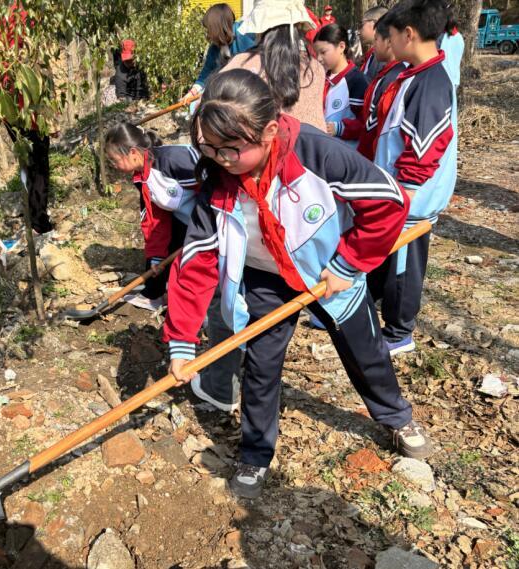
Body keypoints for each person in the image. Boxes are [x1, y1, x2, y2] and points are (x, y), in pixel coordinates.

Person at [163, 69, 432, 499]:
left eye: (231, 149)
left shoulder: (317, 154)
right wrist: (180, 340)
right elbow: (196, 262)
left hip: (330, 272)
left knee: (366, 352)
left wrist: (348, 264)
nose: (221, 159)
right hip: (266, 278)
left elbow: (388, 202)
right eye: (208, 148)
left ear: (269, 131)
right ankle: (255, 454)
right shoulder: (216, 177)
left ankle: (396, 416)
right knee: (262, 367)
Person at [193, 0, 325, 413]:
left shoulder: (244, 68)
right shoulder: (313, 68)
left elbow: (214, 130)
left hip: (247, 198)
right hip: (302, 203)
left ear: (260, 30)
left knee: (225, 290)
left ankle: (221, 385)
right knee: (276, 294)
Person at [366, 0, 459, 356]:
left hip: (412, 199)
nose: (387, 44)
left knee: (404, 267)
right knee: (387, 260)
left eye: (389, 36)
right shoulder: (414, 74)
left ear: (409, 33)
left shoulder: (432, 81)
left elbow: (425, 147)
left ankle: (399, 331)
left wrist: (405, 192)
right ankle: (375, 309)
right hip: (397, 192)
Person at [104, 123, 199, 311]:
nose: (114, 166)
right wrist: (156, 258)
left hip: (212, 219)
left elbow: (215, 192)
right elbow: (155, 219)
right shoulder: (142, 178)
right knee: (161, 256)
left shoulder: (174, 160)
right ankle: (157, 296)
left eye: (115, 160)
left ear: (132, 152)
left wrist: (203, 231)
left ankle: (203, 313)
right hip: (183, 220)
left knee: (196, 268)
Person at [0, 1, 54, 234]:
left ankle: (32, 213)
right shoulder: (28, 16)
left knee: (28, 160)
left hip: (7, 103)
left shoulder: (4, 19)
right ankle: (38, 221)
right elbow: (37, 69)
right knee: (38, 162)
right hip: (26, 105)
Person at [183, 3, 257, 104]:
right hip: (233, 90)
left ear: (217, 28)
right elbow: (206, 73)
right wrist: (192, 92)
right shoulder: (215, 48)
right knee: (195, 106)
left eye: (209, 29)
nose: (207, 34)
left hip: (252, 90)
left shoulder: (244, 36)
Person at [355, 15, 406, 159]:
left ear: (389, 42)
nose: (374, 45)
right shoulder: (388, 73)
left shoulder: (393, 77)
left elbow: (373, 126)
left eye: (376, 39)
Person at [314, 24, 368, 148]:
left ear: (341, 47)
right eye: (316, 53)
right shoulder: (321, 78)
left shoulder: (356, 81)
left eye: (323, 52)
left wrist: (340, 128)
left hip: (346, 152)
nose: (319, 58)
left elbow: (365, 123)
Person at [359, 5, 389, 81]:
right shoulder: (372, 55)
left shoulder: (383, 57)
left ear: (376, 23)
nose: (359, 31)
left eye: (362, 24)